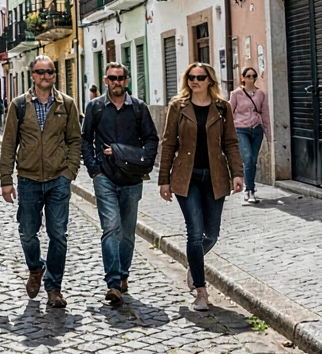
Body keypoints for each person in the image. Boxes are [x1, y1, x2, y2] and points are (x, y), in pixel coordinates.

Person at [158, 62, 243, 312]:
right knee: (194, 232)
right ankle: (201, 291)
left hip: (215, 176)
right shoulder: (178, 106)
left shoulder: (222, 107)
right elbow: (168, 144)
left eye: (200, 77)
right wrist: (164, 179)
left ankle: (193, 262)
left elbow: (231, 143)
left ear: (209, 80)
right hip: (187, 176)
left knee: (212, 234)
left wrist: (237, 173)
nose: (195, 81)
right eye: (191, 77)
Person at [0, 54, 81, 309]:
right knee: (27, 232)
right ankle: (36, 268)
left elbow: (75, 141)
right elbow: (9, 143)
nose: (46, 76)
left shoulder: (66, 104)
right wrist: (5, 179)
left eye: (50, 72)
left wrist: (70, 171)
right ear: (32, 75)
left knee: (59, 235)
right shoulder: (19, 105)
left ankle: (54, 288)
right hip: (28, 179)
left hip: (58, 179)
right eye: (40, 72)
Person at [81, 62, 159, 307]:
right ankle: (113, 282)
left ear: (127, 80)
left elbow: (151, 139)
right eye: (112, 78)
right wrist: (94, 170)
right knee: (111, 226)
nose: (116, 82)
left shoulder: (138, 108)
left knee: (127, 231)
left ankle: (123, 274)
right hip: (105, 177)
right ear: (105, 81)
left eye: (120, 78)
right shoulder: (95, 108)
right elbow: (85, 139)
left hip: (132, 179)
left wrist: (144, 161)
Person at [231, 68, 271, 204]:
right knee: (247, 159)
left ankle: (250, 188)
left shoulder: (260, 94)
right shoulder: (236, 94)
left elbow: (265, 114)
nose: (251, 78)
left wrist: (269, 135)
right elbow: (229, 113)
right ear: (243, 78)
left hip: (256, 129)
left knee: (252, 161)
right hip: (241, 129)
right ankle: (249, 190)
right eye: (248, 76)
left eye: (254, 76)